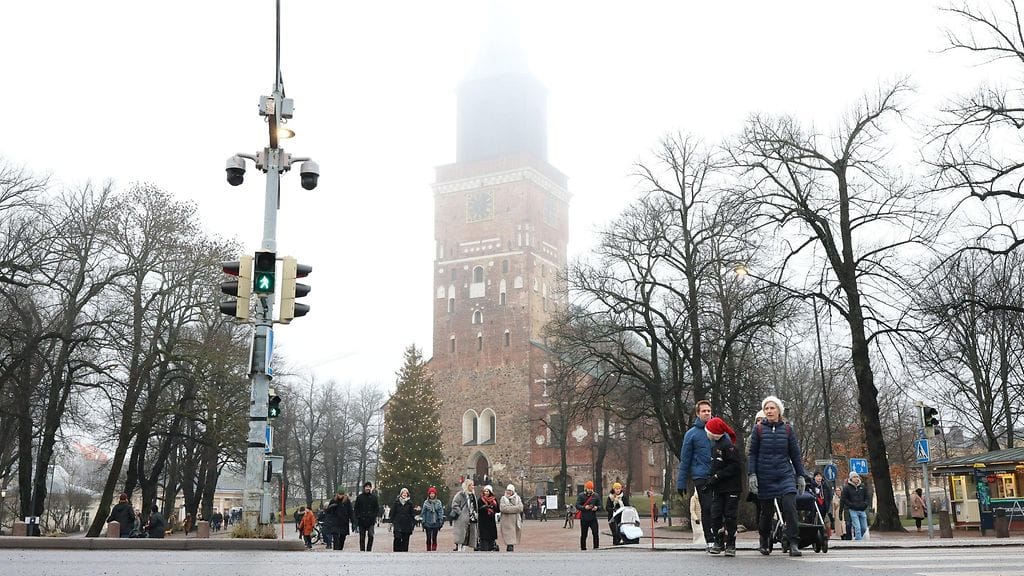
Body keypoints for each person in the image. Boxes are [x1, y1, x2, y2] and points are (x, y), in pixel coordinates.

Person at [748, 395, 811, 557]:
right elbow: (752, 454)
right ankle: (764, 540)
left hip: (785, 474)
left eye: (772, 408)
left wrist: (800, 475)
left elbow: (795, 454)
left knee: (790, 507)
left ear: (779, 411)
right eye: (766, 408)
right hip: (765, 475)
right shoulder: (759, 429)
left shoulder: (788, 429)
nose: (768, 411)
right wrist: (752, 474)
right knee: (766, 512)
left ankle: (794, 543)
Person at [676, 399, 715, 550]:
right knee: (707, 507)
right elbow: (685, 460)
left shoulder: (717, 431)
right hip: (701, 476)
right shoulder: (691, 434)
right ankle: (710, 539)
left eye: (709, 411)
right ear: (698, 414)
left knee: (718, 508)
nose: (707, 413)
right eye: (704, 411)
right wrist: (681, 482)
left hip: (717, 475)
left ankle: (719, 537)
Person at [704, 417, 741, 556]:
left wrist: (718, 476)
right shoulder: (715, 446)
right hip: (718, 489)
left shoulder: (728, 446)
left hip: (731, 488)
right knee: (715, 515)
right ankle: (718, 541)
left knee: (730, 515)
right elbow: (714, 466)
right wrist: (710, 480)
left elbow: (735, 467)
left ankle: (731, 542)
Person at [841, 471, 871, 540]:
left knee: (864, 527)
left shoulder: (862, 486)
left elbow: (867, 496)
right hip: (853, 509)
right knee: (857, 527)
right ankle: (858, 542)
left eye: (857, 476)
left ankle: (857, 538)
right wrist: (851, 505)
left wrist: (865, 504)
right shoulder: (847, 488)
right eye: (854, 477)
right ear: (851, 478)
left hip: (862, 509)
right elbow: (844, 499)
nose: (856, 478)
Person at [450, 478, 479, 551]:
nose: (473, 487)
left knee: (468, 533)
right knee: (461, 533)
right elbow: (455, 504)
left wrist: (475, 513)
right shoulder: (460, 494)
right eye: (471, 485)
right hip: (462, 518)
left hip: (471, 517)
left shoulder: (473, 495)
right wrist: (460, 513)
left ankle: (464, 547)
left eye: (473, 485)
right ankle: (459, 547)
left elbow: (474, 505)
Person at [354, 481, 381, 551]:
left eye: (369, 487)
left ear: (371, 488)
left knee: (371, 536)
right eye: (366, 487)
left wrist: (374, 515)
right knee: (362, 537)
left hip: (371, 520)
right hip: (361, 520)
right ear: (364, 488)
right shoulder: (359, 497)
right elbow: (356, 508)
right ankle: (362, 550)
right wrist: (358, 516)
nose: (367, 488)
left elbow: (377, 508)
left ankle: (369, 549)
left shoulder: (374, 498)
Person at [576, 480, 602, 550]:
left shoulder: (595, 495)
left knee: (595, 533)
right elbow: (577, 505)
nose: (590, 490)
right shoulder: (581, 495)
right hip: (584, 518)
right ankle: (583, 547)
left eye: (591, 488)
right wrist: (584, 507)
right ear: (586, 488)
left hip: (593, 518)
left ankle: (596, 547)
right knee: (584, 534)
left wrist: (596, 508)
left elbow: (600, 506)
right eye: (588, 488)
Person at [390, 487, 418, 552]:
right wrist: (391, 522)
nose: (404, 494)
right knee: (397, 538)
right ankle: (396, 552)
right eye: (403, 492)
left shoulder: (410, 503)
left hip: (407, 524)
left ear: (408, 494)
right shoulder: (396, 502)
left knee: (405, 540)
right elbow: (392, 513)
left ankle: (404, 553)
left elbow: (412, 514)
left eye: (406, 493)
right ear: (401, 494)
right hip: (398, 523)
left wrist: (413, 523)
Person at [500, 485, 524, 551]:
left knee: (514, 535)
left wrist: (510, 509)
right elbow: (503, 508)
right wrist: (515, 509)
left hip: (515, 520)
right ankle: (509, 547)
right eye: (508, 490)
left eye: (510, 491)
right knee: (508, 536)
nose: (509, 492)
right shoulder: (503, 498)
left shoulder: (517, 498)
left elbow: (520, 508)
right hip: (506, 521)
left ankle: (511, 547)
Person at [421, 486, 445, 551]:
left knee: (434, 537)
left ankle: (434, 549)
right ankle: (428, 549)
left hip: (436, 522)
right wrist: (423, 521)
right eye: (431, 493)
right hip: (428, 522)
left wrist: (440, 520)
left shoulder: (438, 502)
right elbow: (423, 513)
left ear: (435, 494)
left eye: (433, 493)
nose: (432, 495)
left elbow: (440, 512)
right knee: (428, 537)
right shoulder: (426, 502)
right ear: (429, 494)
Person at [477, 485, 499, 552]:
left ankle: (491, 547)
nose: (486, 492)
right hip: (483, 520)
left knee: (491, 536)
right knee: (484, 537)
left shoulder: (494, 499)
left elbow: (498, 509)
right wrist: (484, 507)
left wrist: (492, 507)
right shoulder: (481, 499)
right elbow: (478, 509)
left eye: (488, 491)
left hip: (491, 520)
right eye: (485, 491)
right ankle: (483, 548)